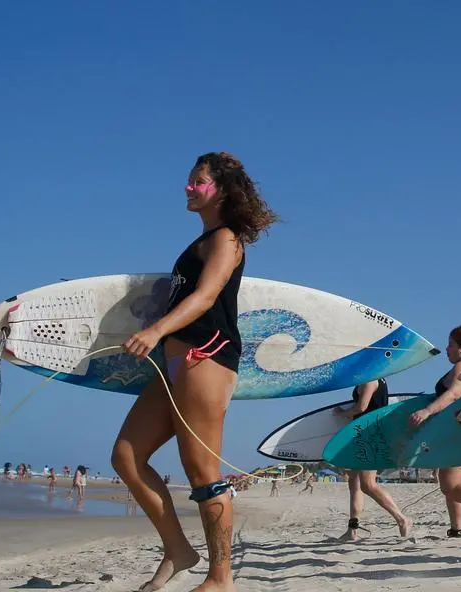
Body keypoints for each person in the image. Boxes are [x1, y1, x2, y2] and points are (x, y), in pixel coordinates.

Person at [111, 151, 278, 592]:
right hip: (173, 364)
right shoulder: (201, 241)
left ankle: (221, 577)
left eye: (198, 181)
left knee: (203, 472)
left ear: (221, 191)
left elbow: (205, 297)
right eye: (189, 180)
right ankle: (178, 550)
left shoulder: (226, 239)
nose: (188, 187)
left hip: (206, 357)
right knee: (126, 456)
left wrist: (155, 330)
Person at [408, 326, 461, 538]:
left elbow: (455, 394)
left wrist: (427, 411)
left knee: (450, 485)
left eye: (451, 345)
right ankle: (457, 527)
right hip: (456, 430)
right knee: (448, 481)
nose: (447, 349)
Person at [336, 378, 412, 541]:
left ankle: (402, 519)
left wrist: (342, 414)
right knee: (354, 482)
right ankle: (352, 530)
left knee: (368, 484)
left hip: (370, 436)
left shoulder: (370, 380)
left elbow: (361, 407)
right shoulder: (373, 378)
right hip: (361, 435)